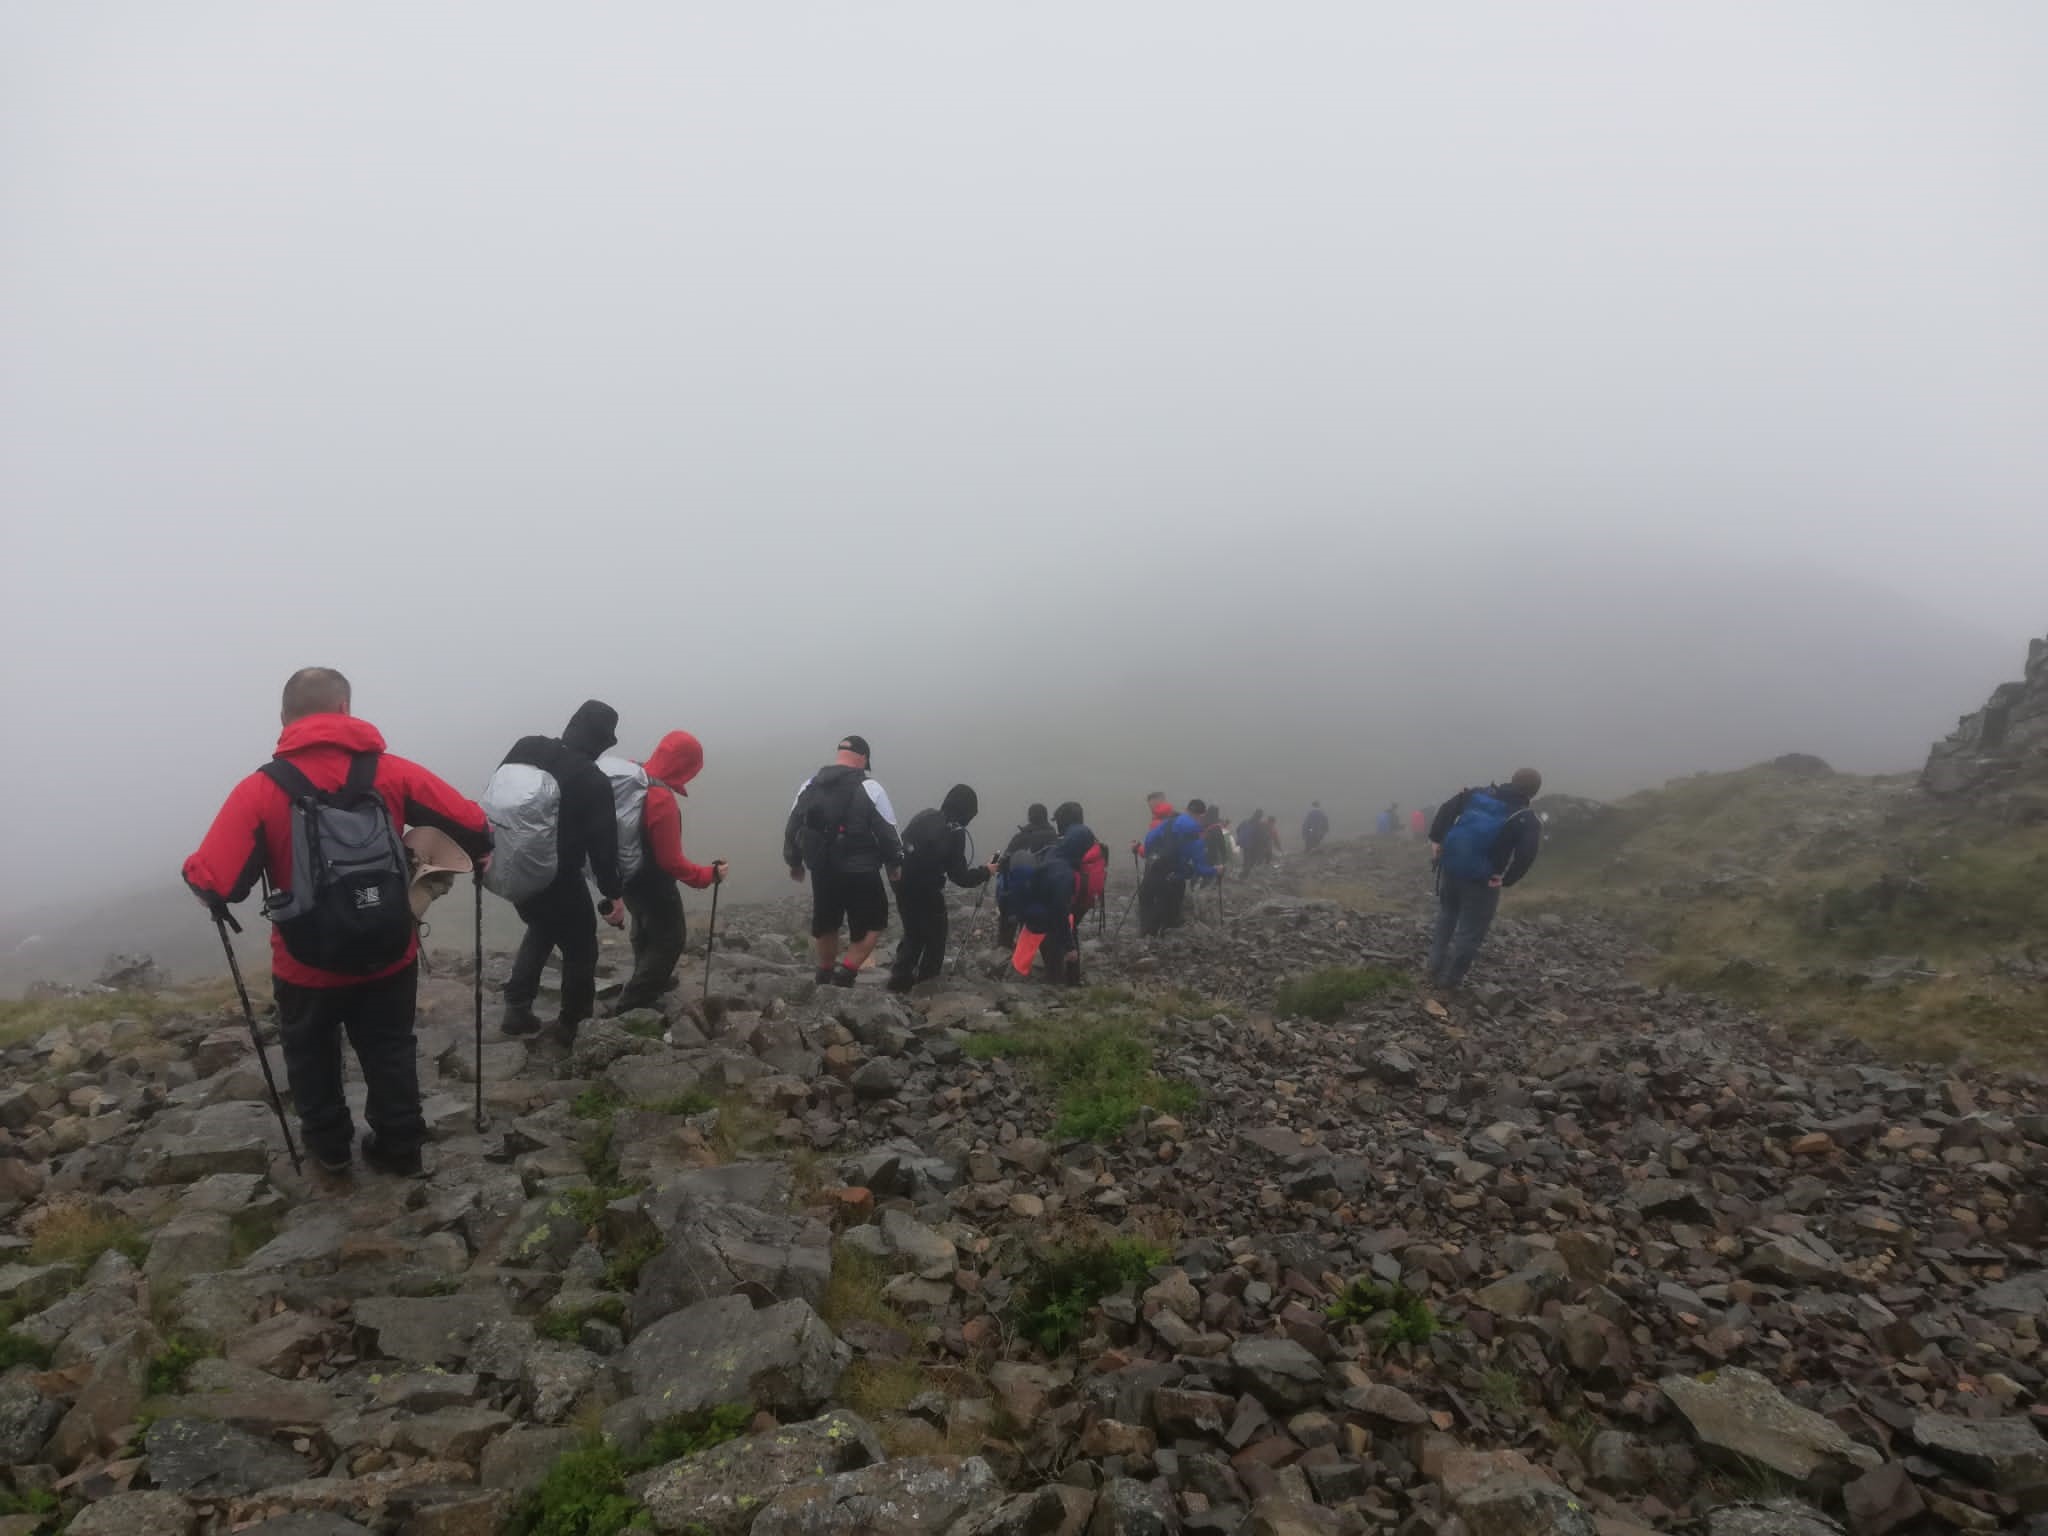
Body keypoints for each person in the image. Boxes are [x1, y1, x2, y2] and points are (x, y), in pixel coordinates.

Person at [182, 668, 492, 1178]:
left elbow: (218, 883)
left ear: (285, 719)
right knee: (390, 1044)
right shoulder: (393, 773)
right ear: (345, 709)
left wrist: (194, 874)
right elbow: (474, 825)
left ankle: (328, 1149)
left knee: (310, 1053)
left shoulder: (261, 790)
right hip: (390, 948)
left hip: (307, 963)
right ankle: (401, 1146)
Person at [490, 700, 627, 1040]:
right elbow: (603, 849)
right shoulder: (592, 780)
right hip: (559, 879)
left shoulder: (527, 746)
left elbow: (498, 795)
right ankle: (573, 1024)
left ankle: (517, 1007)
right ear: (600, 742)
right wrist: (613, 893)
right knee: (582, 948)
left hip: (515, 868)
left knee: (541, 927)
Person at [601, 732, 727, 1014]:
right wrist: (709, 875)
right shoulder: (660, 798)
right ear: (685, 766)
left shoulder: (634, 780)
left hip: (626, 874)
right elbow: (670, 861)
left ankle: (648, 978)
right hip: (653, 882)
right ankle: (635, 1000)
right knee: (670, 937)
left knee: (644, 928)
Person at [784, 735, 903, 988]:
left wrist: (794, 862)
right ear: (863, 758)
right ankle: (846, 973)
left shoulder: (810, 785)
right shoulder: (870, 787)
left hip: (823, 867)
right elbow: (888, 831)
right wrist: (895, 863)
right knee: (874, 921)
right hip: (861, 870)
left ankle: (825, 972)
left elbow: (793, 825)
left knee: (826, 921)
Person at [1426, 768, 1544, 989]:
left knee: (1447, 914)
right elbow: (1527, 853)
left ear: (1512, 780)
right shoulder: (1526, 817)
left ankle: (1433, 965)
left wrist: (1435, 840)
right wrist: (1506, 879)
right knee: (1470, 931)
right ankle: (1449, 982)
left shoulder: (1477, 794)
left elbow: (1447, 809)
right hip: (1483, 881)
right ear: (1534, 792)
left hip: (1450, 867)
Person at [889, 784, 992, 993]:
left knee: (912, 933)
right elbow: (960, 877)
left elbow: (901, 846)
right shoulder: (955, 831)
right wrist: (986, 871)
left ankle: (899, 982)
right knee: (935, 938)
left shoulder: (924, 816)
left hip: (903, 885)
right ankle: (927, 987)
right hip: (928, 890)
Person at [1000, 819, 1095, 984]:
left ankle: (1014, 978)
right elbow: (1060, 910)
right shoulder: (1064, 873)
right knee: (1055, 952)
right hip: (1044, 918)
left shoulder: (1052, 853)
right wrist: (1070, 947)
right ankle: (1054, 984)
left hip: (1030, 910)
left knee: (1029, 953)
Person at [1136, 796, 1217, 936]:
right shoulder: (1196, 837)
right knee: (1167, 909)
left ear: (1186, 810)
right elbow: (1201, 869)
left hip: (1154, 868)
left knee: (1146, 901)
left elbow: (1150, 839)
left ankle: (1144, 936)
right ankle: (1158, 937)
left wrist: (1150, 856)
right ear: (1202, 815)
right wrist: (1216, 870)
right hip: (1174, 878)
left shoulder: (1168, 823)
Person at [997, 803, 1058, 948]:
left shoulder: (1021, 837)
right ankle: (1036, 958)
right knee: (1037, 932)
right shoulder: (1054, 838)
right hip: (1045, 894)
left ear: (1030, 817)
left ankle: (1004, 956)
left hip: (1017, 893)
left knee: (1007, 925)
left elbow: (1004, 862)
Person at [1239, 808, 1272, 874]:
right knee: (1252, 861)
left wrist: (1242, 839)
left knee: (1246, 860)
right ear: (1260, 816)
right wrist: (1266, 845)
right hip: (1254, 846)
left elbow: (1238, 829)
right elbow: (1263, 837)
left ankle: (1243, 874)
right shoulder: (1260, 825)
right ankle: (1245, 875)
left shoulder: (1245, 821)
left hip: (1245, 844)